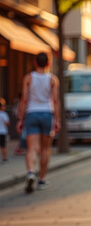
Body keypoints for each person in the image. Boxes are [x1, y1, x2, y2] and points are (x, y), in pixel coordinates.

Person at [17, 52, 60, 193]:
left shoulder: (28, 78)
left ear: (35, 63)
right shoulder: (52, 79)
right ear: (48, 64)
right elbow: (55, 101)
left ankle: (30, 172)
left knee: (32, 148)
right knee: (45, 149)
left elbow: (24, 100)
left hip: (31, 113)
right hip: (47, 114)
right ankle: (41, 180)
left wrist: (20, 119)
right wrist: (57, 120)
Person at [0, 98, 10, 163]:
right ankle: (5, 158)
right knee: (3, 146)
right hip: (3, 132)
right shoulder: (4, 114)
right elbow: (7, 123)